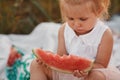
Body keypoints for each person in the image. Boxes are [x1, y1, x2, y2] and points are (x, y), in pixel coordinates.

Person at [30, 0, 120, 80]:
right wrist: (49, 57)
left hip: (92, 72)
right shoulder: (63, 29)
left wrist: (85, 70)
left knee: (96, 76)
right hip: (68, 74)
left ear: (98, 11)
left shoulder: (105, 34)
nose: (76, 24)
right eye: (70, 18)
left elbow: (101, 65)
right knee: (35, 64)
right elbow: (61, 58)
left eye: (83, 19)